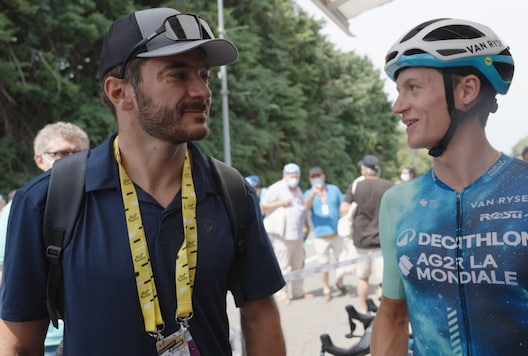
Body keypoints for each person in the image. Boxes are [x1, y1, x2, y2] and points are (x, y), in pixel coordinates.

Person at [0, 8, 286, 355]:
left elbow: (259, 315)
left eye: (204, 75)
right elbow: (17, 343)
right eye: (177, 74)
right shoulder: (48, 201)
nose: (201, 91)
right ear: (120, 92)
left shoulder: (231, 192)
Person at [371, 18, 528, 355]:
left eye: (413, 88)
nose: (398, 106)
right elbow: (391, 317)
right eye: (398, 90)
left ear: (466, 90)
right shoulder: (398, 203)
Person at [0, 121, 89, 356]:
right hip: (37, 338)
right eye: (60, 153)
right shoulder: (24, 206)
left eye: (77, 153)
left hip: (80, 336)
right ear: (39, 160)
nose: (70, 160)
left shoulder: (94, 204)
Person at [340, 155, 393, 313]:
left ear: (364, 169)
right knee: (383, 281)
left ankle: (364, 309)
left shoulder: (357, 186)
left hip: (361, 241)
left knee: (362, 277)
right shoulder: (389, 186)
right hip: (382, 241)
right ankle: (382, 312)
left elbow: (343, 209)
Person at [261, 163, 311, 304]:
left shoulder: (298, 190)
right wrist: (282, 203)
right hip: (282, 235)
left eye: (296, 176)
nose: (293, 178)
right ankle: (281, 294)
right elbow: (263, 207)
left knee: (298, 264)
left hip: (297, 234)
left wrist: (307, 226)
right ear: (284, 175)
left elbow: (302, 209)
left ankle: (298, 291)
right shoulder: (276, 188)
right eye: (291, 175)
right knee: (283, 265)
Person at [303, 166, 347, 301]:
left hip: (336, 233)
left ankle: (340, 283)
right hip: (320, 235)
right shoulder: (308, 193)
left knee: (342, 261)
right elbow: (305, 207)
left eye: (318, 176)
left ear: (323, 176)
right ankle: (326, 288)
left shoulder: (334, 190)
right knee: (324, 264)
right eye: (313, 177)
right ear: (310, 179)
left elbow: (343, 204)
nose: (316, 179)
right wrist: (313, 194)